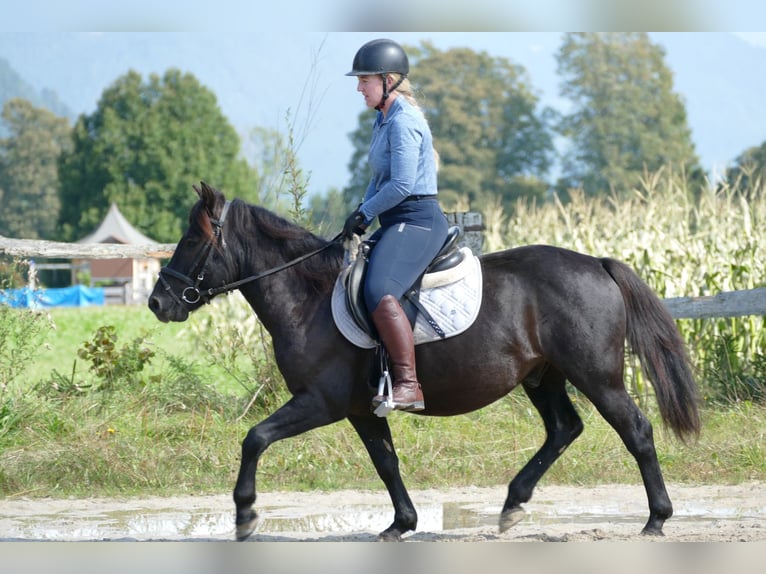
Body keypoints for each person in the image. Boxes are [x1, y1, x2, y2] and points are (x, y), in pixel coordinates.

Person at [343, 38, 450, 412]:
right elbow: (380, 176)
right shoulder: (382, 118)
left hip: (417, 220)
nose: (359, 87)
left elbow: (403, 185)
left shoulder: (404, 122)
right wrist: (360, 212)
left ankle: (408, 385)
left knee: (379, 290)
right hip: (395, 219)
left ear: (388, 80)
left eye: (365, 80)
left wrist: (367, 213)